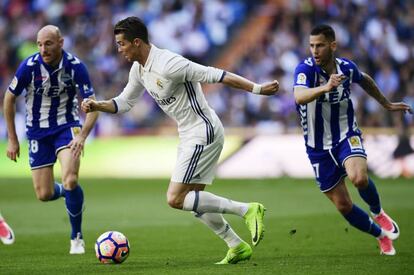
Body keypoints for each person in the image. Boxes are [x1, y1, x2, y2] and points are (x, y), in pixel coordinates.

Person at [82, 16, 279, 264]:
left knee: (175, 198)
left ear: (137, 42)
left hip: (203, 130)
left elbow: (217, 75)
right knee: (194, 200)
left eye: (122, 44)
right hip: (188, 134)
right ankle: (236, 246)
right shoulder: (139, 69)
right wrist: (97, 104)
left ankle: (247, 209)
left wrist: (258, 89)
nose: (118, 49)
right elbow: (125, 102)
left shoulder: (169, 63)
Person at [293, 24, 413, 255]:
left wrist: (386, 103)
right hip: (317, 147)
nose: (314, 50)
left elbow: (363, 78)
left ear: (333, 45)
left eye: (319, 45)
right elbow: (299, 96)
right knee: (343, 205)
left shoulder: (346, 67)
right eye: (311, 45)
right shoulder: (305, 70)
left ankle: (378, 212)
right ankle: (380, 235)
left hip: (346, 134)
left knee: (358, 178)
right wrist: (325, 87)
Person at [3, 25, 98, 254]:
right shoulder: (29, 66)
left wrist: (83, 136)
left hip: (67, 127)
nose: (43, 49)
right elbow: (8, 99)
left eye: (48, 43)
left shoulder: (75, 67)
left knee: (70, 178)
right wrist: (12, 140)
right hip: (37, 132)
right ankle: (70, 194)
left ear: (61, 43)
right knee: (44, 194)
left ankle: (76, 237)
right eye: (40, 44)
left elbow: (92, 105)